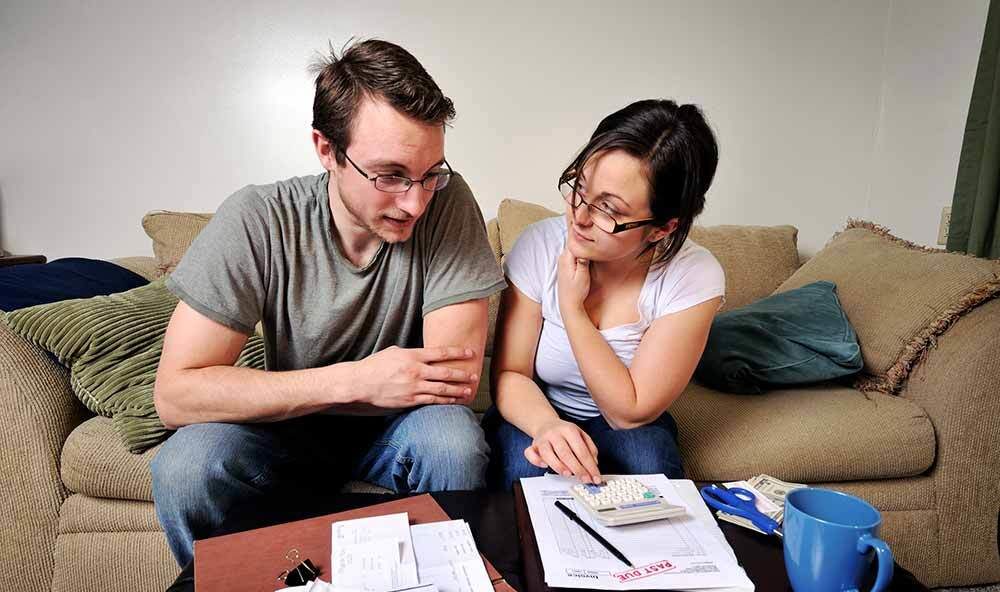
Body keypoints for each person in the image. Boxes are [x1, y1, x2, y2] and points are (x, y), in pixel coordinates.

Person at [150, 39, 506, 566]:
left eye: (430, 173)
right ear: (326, 149)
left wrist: (364, 391)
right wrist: (358, 381)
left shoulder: (446, 200)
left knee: (451, 441)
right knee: (186, 465)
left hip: (399, 428)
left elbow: (451, 382)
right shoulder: (258, 218)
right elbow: (176, 395)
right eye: (390, 176)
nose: (415, 201)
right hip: (282, 432)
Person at [483, 99, 725, 491]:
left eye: (607, 209)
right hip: (537, 405)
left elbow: (627, 413)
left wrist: (572, 311)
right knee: (525, 471)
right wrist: (548, 426)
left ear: (662, 228)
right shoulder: (539, 245)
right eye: (579, 187)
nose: (578, 216)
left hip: (623, 418)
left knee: (650, 465)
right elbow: (510, 374)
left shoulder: (694, 276)